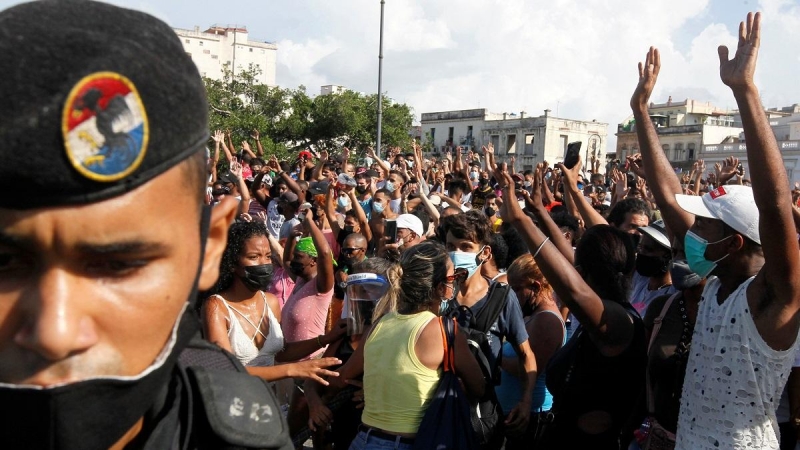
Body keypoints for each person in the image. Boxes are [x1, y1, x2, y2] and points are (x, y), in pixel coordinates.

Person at [0, 1, 292, 448]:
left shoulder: (237, 431)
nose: (54, 332)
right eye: (4, 262)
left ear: (210, 245)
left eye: (121, 265)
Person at [639, 15, 800, 448]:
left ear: (733, 242)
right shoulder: (714, 285)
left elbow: (775, 207)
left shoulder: (774, 299)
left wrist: (745, 91)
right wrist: (641, 111)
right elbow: (670, 199)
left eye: (704, 226)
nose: (691, 232)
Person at [498, 169, 647, 449]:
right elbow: (568, 261)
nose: (572, 265)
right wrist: (540, 213)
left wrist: (520, 220)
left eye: (578, 264)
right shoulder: (607, 312)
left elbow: (573, 290)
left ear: (583, 271)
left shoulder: (617, 322)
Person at [329, 241, 486, 449]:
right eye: (452, 278)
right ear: (440, 287)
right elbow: (478, 388)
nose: (454, 284)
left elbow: (342, 377)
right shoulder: (444, 330)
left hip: (363, 440)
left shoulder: (378, 324)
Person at [202, 221, 346, 383]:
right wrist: (293, 369)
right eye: (254, 257)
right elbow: (224, 369)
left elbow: (281, 352)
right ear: (232, 263)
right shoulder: (217, 306)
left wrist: (325, 339)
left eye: (268, 256)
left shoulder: (270, 301)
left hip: (269, 400)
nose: (264, 263)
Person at [441, 210, 538, 446]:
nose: (456, 254)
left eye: (465, 247)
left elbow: (526, 353)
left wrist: (525, 402)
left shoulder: (502, 297)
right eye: (451, 246)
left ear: (484, 253)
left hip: (480, 413)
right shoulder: (437, 295)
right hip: (437, 407)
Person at [498, 254, 566, 449]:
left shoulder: (547, 321)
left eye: (517, 289)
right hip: (513, 414)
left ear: (536, 287)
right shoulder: (532, 315)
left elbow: (527, 369)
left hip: (529, 417)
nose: (512, 295)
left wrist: (492, 354)